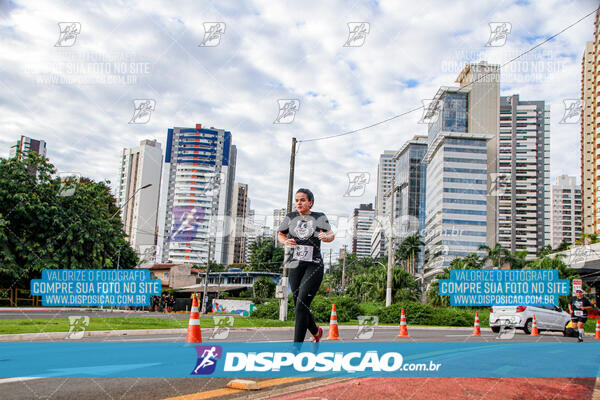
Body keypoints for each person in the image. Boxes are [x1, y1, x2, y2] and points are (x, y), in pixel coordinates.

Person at [278, 188, 335, 343]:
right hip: (295, 264)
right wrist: (285, 241)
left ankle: (296, 348)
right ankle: (316, 332)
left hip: (313, 264)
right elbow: (281, 234)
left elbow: (331, 234)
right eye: (297, 200)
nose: (299, 203)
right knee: (299, 305)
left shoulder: (319, 216)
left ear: (310, 202)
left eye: (302, 200)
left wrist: (326, 236)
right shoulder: (290, 217)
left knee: (301, 305)